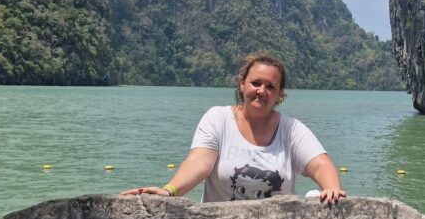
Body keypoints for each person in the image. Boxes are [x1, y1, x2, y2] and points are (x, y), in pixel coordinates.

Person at [121, 54, 346, 205]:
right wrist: (169, 191)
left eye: (270, 87)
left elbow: (319, 163)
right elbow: (199, 163)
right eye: (256, 83)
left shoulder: (292, 129)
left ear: (280, 94)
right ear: (242, 84)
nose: (262, 91)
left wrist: (332, 189)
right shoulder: (218, 119)